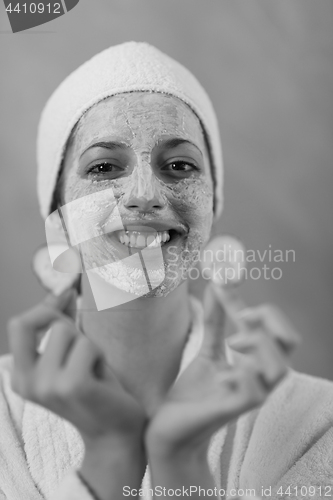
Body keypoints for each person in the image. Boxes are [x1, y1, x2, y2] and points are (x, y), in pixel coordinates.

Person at [1, 42, 333, 500]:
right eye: (103, 167)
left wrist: (183, 461)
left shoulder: (318, 423)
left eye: (179, 166)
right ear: (56, 217)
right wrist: (110, 454)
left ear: (213, 205)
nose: (144, 194)